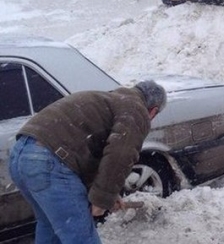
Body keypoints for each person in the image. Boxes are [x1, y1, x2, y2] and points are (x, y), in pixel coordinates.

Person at [9, 80, 167, 244]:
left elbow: (88, 157)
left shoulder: (110, 100)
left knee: (51, 227)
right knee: (82, 238)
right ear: (153, 111)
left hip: (20, 157)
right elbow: (121, 154)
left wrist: (110, 195)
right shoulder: (136, 109)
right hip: (48, 162)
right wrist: (102, 199)